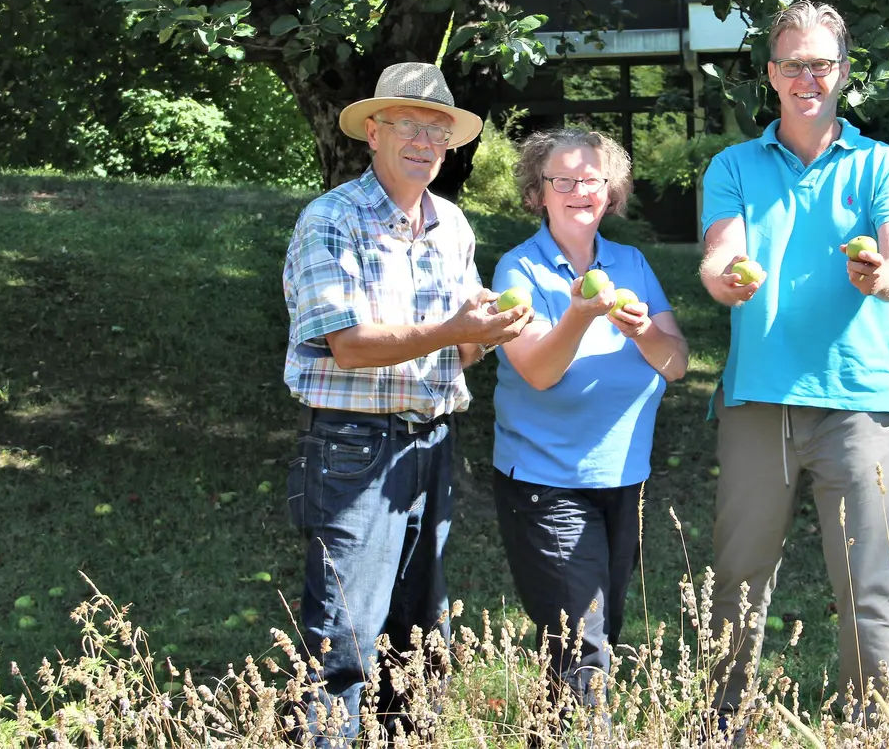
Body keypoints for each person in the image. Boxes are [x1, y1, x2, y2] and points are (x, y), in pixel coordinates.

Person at [281, 62, 533, 744]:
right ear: (373, 132)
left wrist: (487, 332)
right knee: (346, 642)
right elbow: (350, 346)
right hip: (353, 448)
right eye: (409, 126)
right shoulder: (332, 220)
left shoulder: (452, 226)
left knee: (418, 638)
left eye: (438, 130)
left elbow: (461, 349)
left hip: (432, 443)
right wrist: (458, 330)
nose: (425, 142)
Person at [698, 0, 889, 725]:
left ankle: (874, 732)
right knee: (736, 581)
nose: (807, 77)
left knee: (869, 587)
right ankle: (723, 728)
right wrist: (727, 277)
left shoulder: (883, 164)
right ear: (771, 74)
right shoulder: (733, 164)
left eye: (820, 63)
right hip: (758, 402)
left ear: (844, 72)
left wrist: (881, 278)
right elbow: (721, 254)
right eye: (792, 63)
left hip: (856, 402)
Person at [489, 129, 688, 739]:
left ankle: (552, 734)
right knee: (584, 644)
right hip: (547, 484)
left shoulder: (630, 265)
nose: (580, 190)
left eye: (593, 179)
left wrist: (641, 333)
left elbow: (676, 362)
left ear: (612, 191)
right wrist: (579, 313)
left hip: (622, 478)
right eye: (563, 180)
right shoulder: (517, 268)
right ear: (537, 193)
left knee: (595, 632)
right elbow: (539, 371)